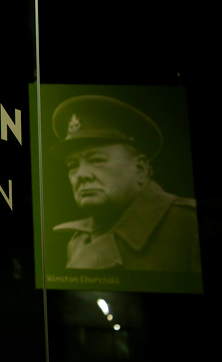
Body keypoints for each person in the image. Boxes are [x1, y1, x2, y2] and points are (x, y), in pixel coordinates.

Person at [51, 95, 201, 272]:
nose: (82, 175)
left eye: (97, 160)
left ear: (140, 169)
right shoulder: (77, 241)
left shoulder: (190, 225)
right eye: (73, 166)